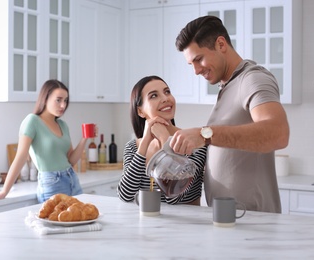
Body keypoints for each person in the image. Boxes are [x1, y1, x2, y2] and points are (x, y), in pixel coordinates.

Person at [169, 16, 290, 213]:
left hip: (254, 222)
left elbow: (278, 133)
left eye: (199, 59)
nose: (196, 71)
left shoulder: (253, 79)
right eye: (191, 64)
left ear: (221, 44)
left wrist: (204, 134)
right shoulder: (228, 85)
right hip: (231, 219)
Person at [0, 79, 88, 203]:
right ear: (45, 98)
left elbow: (71, 160)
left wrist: (85, 138)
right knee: (53, 221)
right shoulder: (32, 121)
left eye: (65, 101)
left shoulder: (62, 125)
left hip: (72, 179)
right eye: (58, 100)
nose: (63, 105)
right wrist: (4, 191)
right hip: (52, 183)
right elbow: (20, 157)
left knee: (83, 220)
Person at [117, 75, 207, 206]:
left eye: (167, 92)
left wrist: (166, 140)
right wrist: (144, 143)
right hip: (147, 224)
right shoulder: (133, 147)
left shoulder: (194, 142)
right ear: (140, 111)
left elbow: (173, 197)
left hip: (186, 225)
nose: (165, 98)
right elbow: (125, 195)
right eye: (154, 95)